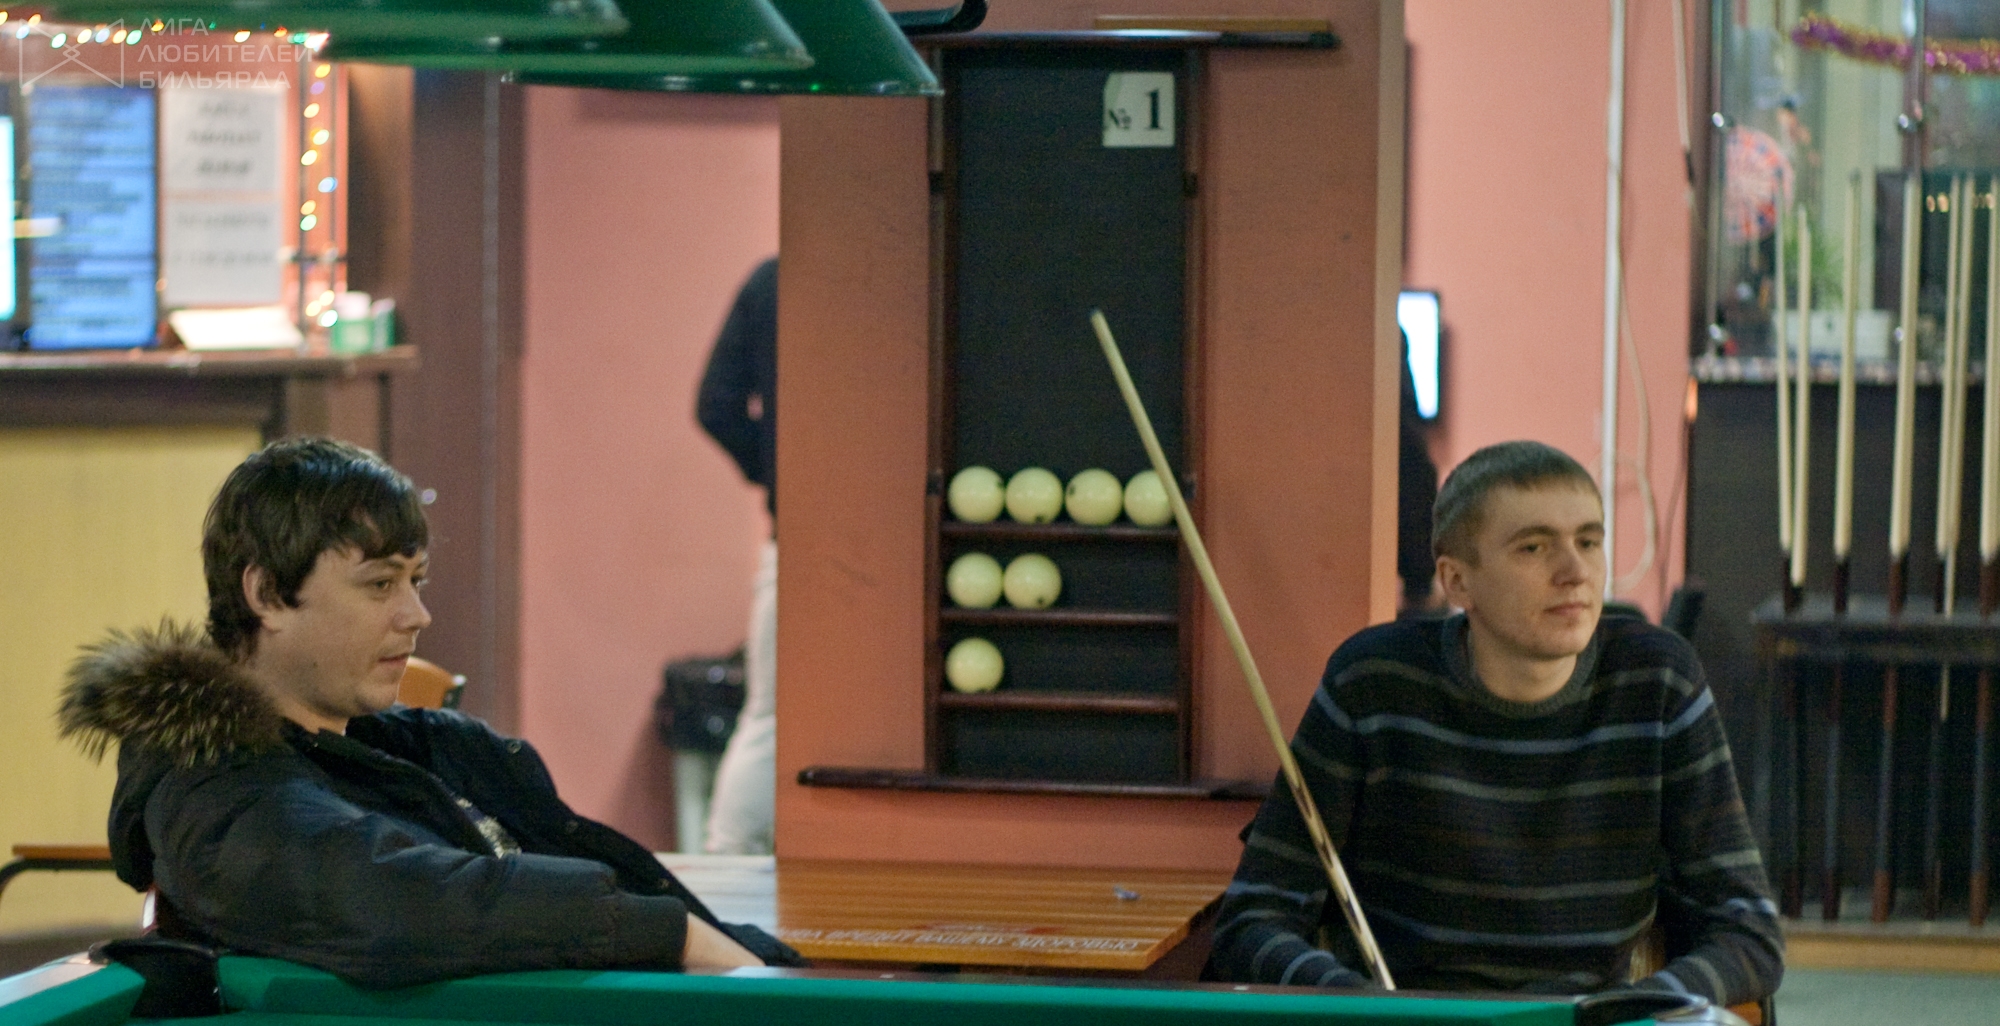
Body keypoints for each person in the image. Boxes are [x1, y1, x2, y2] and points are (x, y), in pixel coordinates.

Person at [57, 437, 803, 988]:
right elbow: (390, 897)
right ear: (268, 596)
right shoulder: (215, 795)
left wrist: (764, 962)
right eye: (380, 585)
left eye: (416, 580)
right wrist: (669, 935)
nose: (416, 615)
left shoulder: (438, 749)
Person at [1207, 441, 1782, 1006]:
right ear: (1457, 581)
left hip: (1586, 1023)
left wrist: (1628, 1011)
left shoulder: (1659, 678)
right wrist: (1368, 1010)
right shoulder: (1373, 681)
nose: (1576, 571)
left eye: (1589, 541)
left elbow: (1749, 931)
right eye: (1534, 547)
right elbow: (1252, 919)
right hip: (1412, 1019)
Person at [694, 256, 778, 855]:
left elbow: (715, 405)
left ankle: (727, 862)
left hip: (797, 532)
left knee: (770, 718)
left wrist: (775, 469)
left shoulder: (773, 280)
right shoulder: (895, 276)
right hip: (890, 536)